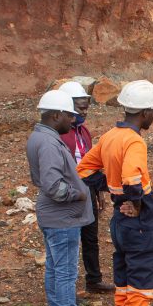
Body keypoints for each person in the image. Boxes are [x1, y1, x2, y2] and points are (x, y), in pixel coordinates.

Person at [77, 80, 153, 306]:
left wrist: (112, 190)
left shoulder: (110, 136)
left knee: (124, 279)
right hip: (138, 225)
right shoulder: (135, 141)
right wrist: (134, 202)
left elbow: (84, 170)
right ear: (146, 112)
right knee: (140, 279)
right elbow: (132, 178)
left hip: (119, 223)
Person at [25, 90, 105, 306]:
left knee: (55, 268)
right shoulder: (49, 143)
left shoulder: (40, 137)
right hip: (62, 217)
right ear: (56, 115)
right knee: (66, 273)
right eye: (68, 117)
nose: (72, 122)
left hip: (54, 216)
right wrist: (78, 195)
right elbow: (53, 185)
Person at [57, 81, 114, 295]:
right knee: (70, 239)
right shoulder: (60, 134)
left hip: (88, 188)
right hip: (69, 192)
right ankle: (66, 289)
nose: (84, 111)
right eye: (80, 107)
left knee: (90, 237)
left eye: (86, 106)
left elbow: (93, 163)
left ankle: (94, 279)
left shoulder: (84, 131)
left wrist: (98, 192)